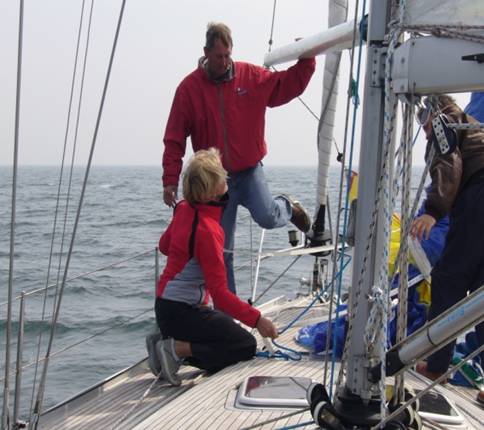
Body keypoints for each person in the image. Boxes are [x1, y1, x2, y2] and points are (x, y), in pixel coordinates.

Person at [162, 22, 316, 294]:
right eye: (218, 56)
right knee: (221, 250)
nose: (224, 62)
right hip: (215, 183)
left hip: (249, 170)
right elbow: (174, 138)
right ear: (206, 53)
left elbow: (285, 86)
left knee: (268, 216)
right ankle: (228, 313)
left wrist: (307, 59)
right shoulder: (189, 89)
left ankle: (289, 207)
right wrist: (170, 180)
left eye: (227, 55)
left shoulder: (251, 77)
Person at [153, 148, 278, 386]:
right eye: (222, 176)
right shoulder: (208, 231)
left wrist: (185, 248)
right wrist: (258, 320)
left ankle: (165, 340)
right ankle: (174, 348)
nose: (226, 178)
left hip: (165, 307)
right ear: (212, 190)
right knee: (244, 345)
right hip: (182, 311)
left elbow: (164, 246)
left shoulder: (182, 209)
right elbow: (220, 296)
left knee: (224, 333)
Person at [411, 95, 484, 404]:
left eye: (422, 116)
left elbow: (448, 161)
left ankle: (436, 366)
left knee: (448, 281)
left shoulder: (445, 120)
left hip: (478, 197)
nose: (423, 127)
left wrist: (433, 210)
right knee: (482, 294)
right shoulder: (472, 126)